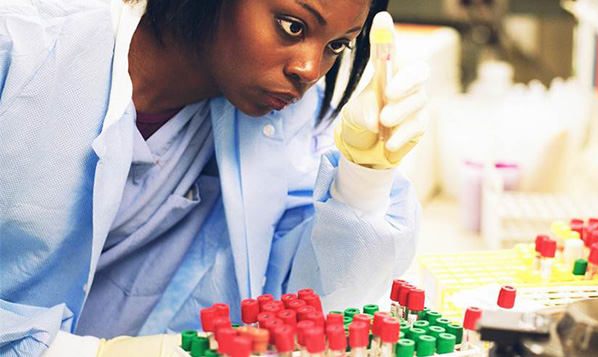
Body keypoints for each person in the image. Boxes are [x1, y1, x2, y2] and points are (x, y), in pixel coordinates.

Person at [0, 0, 429, 355]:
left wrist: (363, 180)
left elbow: (311, 314)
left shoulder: (284, 113)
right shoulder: (21, 48)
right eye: (291, 26)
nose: (310, 69)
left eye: (337, 45)